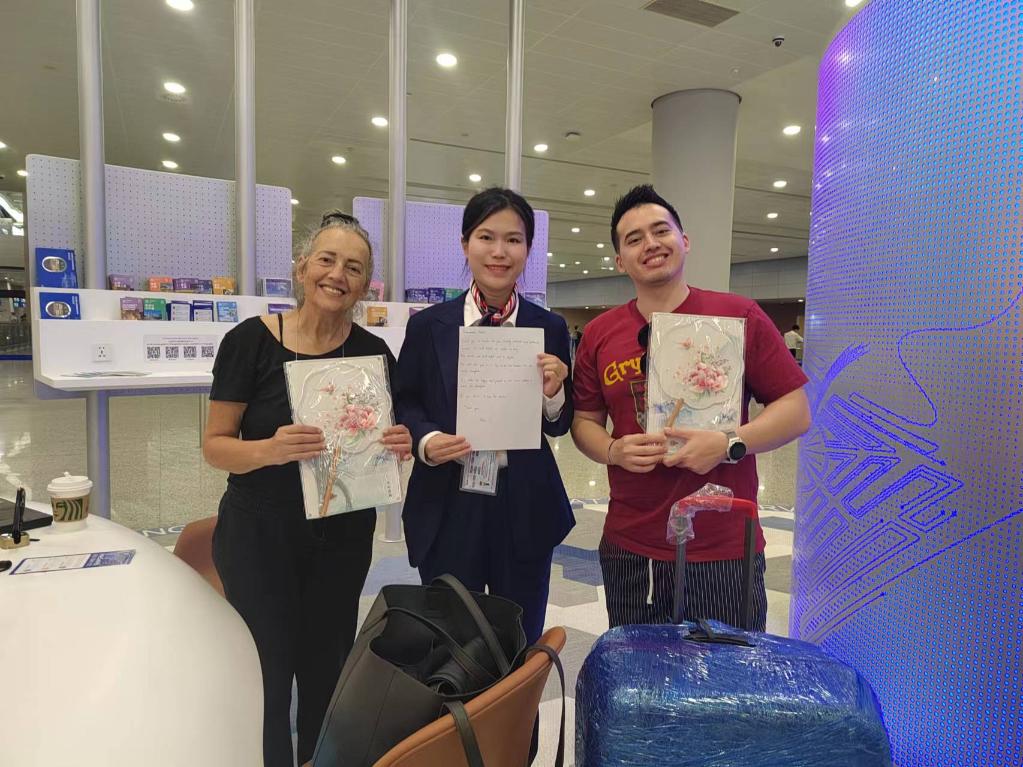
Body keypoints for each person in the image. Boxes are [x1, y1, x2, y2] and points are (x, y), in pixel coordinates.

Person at [203, 211, 413, 767]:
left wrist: (399, 444)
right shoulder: (250, 342)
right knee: (267, 673)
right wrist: (269, 449)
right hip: (259, 534)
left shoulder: (373, 355)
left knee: (328, 669)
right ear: (302, 269)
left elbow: (388, 442)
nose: (337, 275)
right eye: (327, 260)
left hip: (341, 538)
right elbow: (215, 446)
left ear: (365, 287)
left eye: (354, 268)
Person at [570, 185, 810, 630]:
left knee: (726, 671)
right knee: (638, 669)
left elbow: (796, 410)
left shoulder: (737, 316)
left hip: (722, 540)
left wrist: (728, 443)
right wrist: (612, 450)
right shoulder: (600, 334)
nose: (651, 244)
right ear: (620, 261)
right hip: (632, 543)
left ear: (685, 240)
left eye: (661, 231)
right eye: (634, 239)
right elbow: (584, 421)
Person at [393, 187, 574, 645]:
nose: (499, 252)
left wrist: (554, 393)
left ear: (528, 249)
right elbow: (406, 399)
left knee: (520, 636)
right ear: (465, 244)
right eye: (486, 237)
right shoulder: (428, 325)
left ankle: (516, 697)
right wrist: (427, 440)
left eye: (513, 240)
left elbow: (558, 423)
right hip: (449, 498)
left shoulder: (548, 326)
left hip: (523, 501)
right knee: (451, 637)